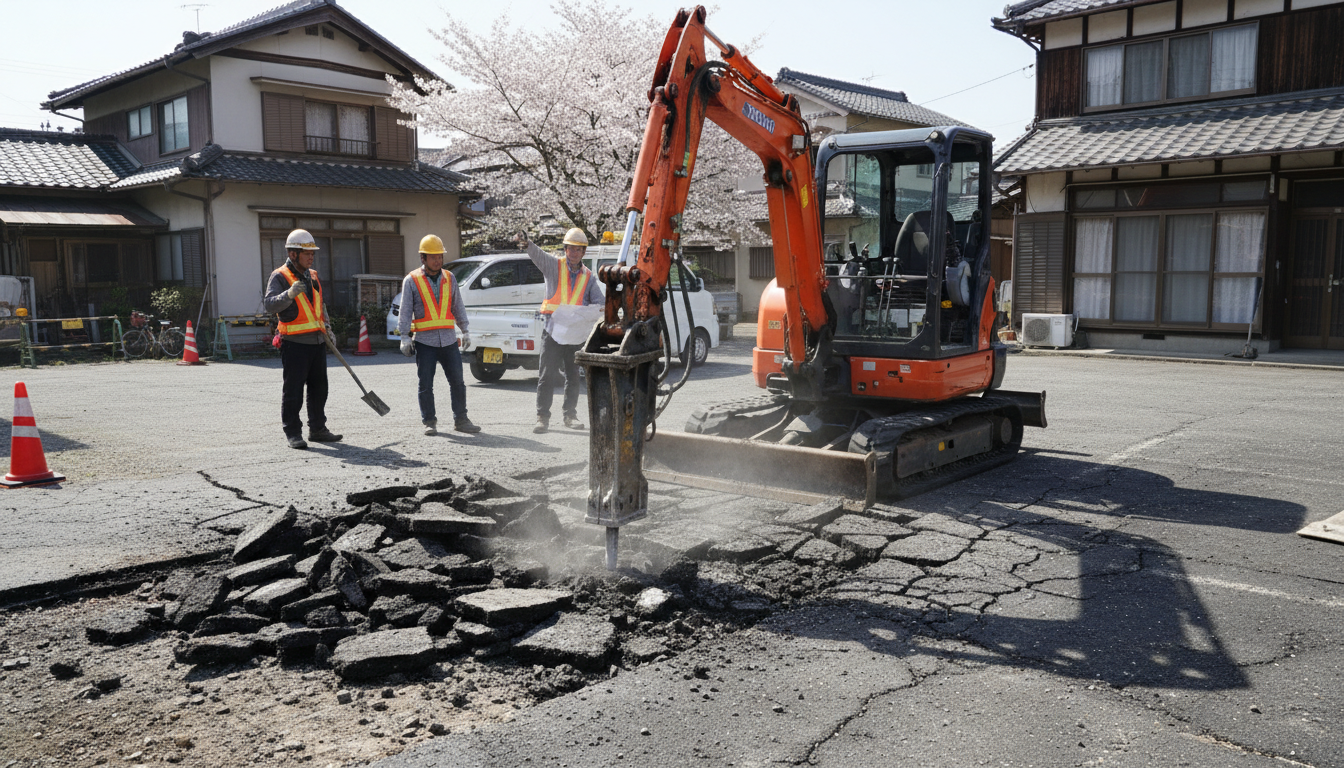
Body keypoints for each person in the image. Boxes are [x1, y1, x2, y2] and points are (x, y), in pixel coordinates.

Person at [262, 228, 343, 449]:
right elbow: (269, 304)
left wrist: (327, 326)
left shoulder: (313, 275)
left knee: (319, 388)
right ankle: (293, 433)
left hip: (317, 341)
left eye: (312, 253)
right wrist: (288, 294)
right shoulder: (280, 276)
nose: (311, 257)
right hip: (294, 343)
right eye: (306, 253)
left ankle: (318, 429)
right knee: (294, 390)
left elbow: (319, 305)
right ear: (293, 254)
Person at [519, 227, 604, 433]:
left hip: (574, 335)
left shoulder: (589, 277)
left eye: (578, 250)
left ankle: (570, 415)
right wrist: (526, 243)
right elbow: (537, 255)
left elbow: (600, 303)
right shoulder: (554, 267)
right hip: (553, 332)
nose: (574, 253)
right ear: (565, 249)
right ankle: (542, 417)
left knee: (573, 377)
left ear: (583, 252)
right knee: (546, 375)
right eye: (570, 249)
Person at [398, 234, 480, 436]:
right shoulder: (411, 280)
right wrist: (404, 337)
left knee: (458, 382)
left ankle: (461, 420)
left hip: (449, 339)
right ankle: (429, 422)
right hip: (425, 341)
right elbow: (405, 310)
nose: (438, 261)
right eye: (433, 257)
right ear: (423, 258)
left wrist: (465, 329)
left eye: (440, 257)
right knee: (426, 384)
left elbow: (457, 306)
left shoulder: (449, 278)